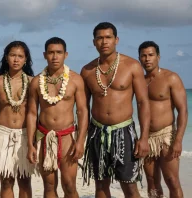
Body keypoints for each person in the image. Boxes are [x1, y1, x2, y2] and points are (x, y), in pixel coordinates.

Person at [80, 22, 150, 198]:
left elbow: (143, 102)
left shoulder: (132, 66)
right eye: (100, 38)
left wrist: (144, 138)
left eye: (108, 37)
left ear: (116, 40)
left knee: (129, 185)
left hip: (124, 131)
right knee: (101, 186)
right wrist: (81, 139)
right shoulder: (87, 71)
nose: (104, 42)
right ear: (94, 42)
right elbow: (82, 109)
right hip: (97, 132)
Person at [27, 37, 89, 198]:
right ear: (45, 55)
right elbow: (32, 114)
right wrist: (30, 144)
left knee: (69, 185)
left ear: (65, 55)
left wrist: (81, 141)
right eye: (51, 53)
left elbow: (82, 111)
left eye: (59, 53)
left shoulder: (75, 80)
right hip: (44, 136)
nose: (55, 56)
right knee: (49, 186)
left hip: (67, 137)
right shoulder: (36, 82)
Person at [0, 41, 36, 198]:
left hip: (25, 134)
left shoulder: (33, 82)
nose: (16, 59)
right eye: (13, 55)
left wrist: (34, 142)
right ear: (6, 57)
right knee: (6, 180)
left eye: (20, 56)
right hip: (2, 134)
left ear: (26, 59)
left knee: (25, 180)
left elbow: (35, 113)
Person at [138, 41, 187, 198]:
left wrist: (178, 139)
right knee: (152, 181)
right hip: (147, 137)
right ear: (139, 58)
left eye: (151, 55)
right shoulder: (139, 82)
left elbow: (183, 111)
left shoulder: (171, 78)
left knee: (172, 180)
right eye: (143, 56)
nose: (147, 59)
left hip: (166, 135)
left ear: (158, 57)